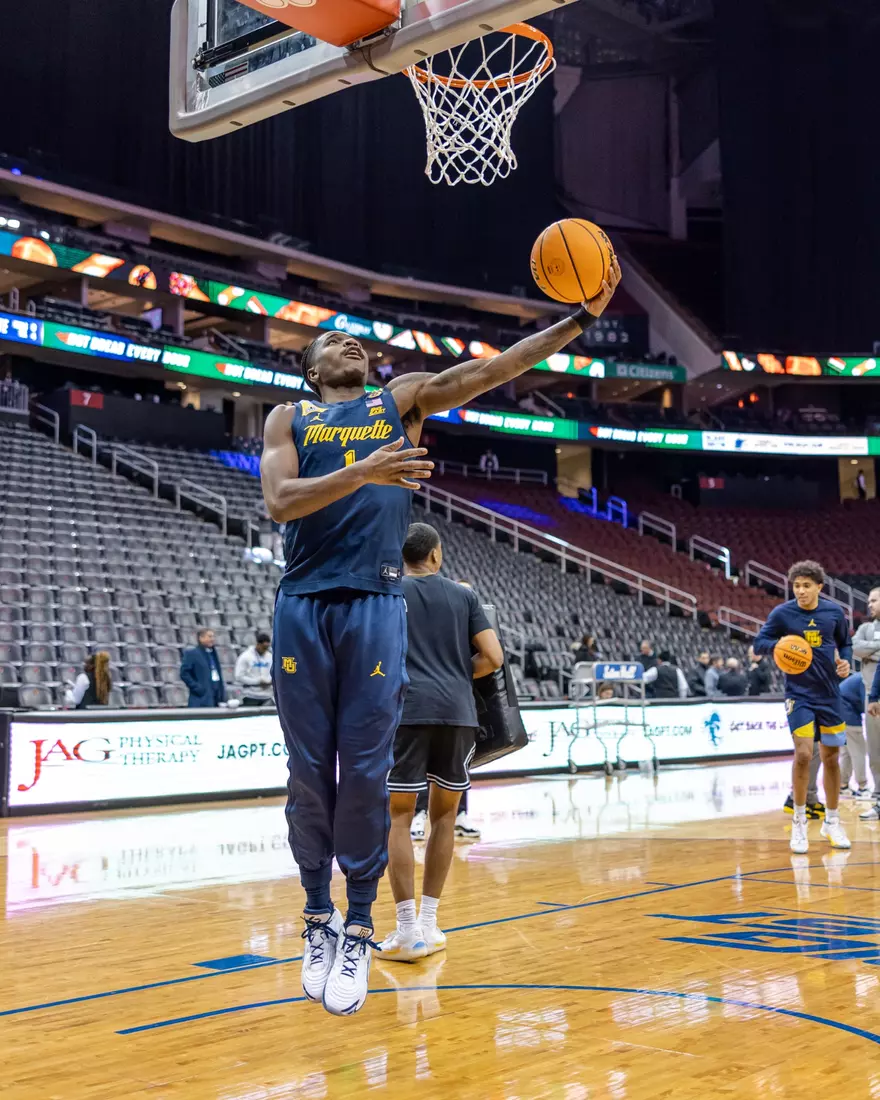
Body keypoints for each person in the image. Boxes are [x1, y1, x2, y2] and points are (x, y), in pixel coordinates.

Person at [260, 260, 621, 1016]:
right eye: (332, 340)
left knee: (367, 772)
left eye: (358, 341)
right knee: (308, 771)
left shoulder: (400, 399)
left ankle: (360, 926)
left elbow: (494, 369)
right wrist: (365, 472)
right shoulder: (288, 418)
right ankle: (317, 916)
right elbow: (281, 502)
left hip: (375, 601)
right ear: (310, 367)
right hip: (303, 600)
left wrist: (580, 320)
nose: (350, 343)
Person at [378, 522, 503, 962]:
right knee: (445, 817)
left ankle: (407, 931)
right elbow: (493, 657)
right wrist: (453, 675)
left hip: (407, 711)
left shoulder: (389, 593)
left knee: (399, 818)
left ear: (403, 556)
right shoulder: (464, 596)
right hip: (457, 714)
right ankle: (430, 924)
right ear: (435, 554)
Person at [753, 559, 852, 853]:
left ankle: (832, 821)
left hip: (830, 694)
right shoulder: (782, 613)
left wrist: (846, 662)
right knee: (804, 753)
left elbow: (845, 643)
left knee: (831, 757)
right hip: (799, 694)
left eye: (806, 586)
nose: (801, 591)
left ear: (819, 587)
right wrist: (781, 645)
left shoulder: (834, 613)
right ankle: (799, 821)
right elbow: (759, 643)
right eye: (796, 586)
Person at [853, 587, 880, 818]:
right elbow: (855, 649)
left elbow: (865, 652)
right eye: (869, 601)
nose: (869, 604)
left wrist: (870, 653)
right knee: (875, 750)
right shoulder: (865, 628)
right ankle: (879, 799)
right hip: (872, 696)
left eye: (874, 600)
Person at [839, 672, 869, 798]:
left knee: (847, 752)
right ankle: (863, 787)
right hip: (847, 714)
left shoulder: (864, 676)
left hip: (839, 712)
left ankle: (842, 785)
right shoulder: (866, 680)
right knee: (858, 751)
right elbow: (868, 706)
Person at [180, 628, 227, 708]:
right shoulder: (192, 653)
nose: (212, 639)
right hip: (201, 699)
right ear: (201, 638)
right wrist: (197, 688)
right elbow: (184, 674)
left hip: (216, 698)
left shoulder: (213, 653)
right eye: (210, 636)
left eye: (213, 637)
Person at [234, 631, 274, 706]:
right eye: (263, 647)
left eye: (267, 647)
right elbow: (239, 676)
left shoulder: (270, 657)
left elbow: (273, 673)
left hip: (267, 695)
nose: (265, 650)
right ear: (258, 644)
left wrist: (269, 681)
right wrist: (257, 681)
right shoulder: (245, 656)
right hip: (250, 695)